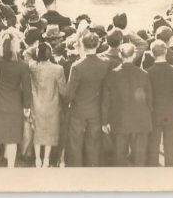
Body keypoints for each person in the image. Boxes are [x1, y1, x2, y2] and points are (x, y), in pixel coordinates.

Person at [0, 30, 33, 168]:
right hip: (14, 105)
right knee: (11, 139)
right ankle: (10, 168)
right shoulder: (23, 66)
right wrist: (27, 107)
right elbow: (27, 89)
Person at [102, 42, 153, 167]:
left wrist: (104, 121)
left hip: (119, 119)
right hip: (141, 119)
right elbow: (149, 99)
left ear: (120, 55)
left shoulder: (112, 75)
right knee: (140, 156)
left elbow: (106, 101)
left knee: (119, 155)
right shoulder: (144, 74)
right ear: (134, 55)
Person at [64, 31, 110, 167]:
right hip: (96, 110)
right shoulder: (104, 64)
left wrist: (67, 103)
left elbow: (69, 93)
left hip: (78, 110)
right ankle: (92, 170)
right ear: (97, 45)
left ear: (82, 46)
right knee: (93, 144)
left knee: (75, 144)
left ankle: (76, 172)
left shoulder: (77, 66)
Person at [146, 39, 173, 167]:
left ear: (152, 54)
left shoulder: (147, 72)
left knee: (153, 146)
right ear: (165, 52)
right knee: (172, 148)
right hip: (172, 114)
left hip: (155, 114)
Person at [28, 42, 66, 167]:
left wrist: (37, 48)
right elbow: (63, 90)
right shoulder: (58, 68)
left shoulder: (33, 66)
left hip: (36, 104)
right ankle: (46, 160)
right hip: (53, 105)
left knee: (38, 132)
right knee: (50, 133)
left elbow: (26, 54)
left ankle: (37, 160)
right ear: (50, 54)